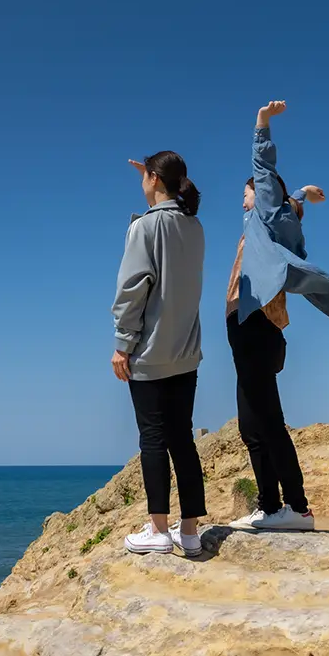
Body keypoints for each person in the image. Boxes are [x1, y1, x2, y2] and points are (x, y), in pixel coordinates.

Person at [226, 101, 329, 532]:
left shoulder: (265, 214)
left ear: (263, 197)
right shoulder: (274, 223)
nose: (243, 198)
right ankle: (269, 505)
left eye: (248, 192)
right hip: (248, 326)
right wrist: (301, 195)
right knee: (251, 424)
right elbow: (287, 207)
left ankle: (297, 509)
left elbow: (264, 172)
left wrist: (262, 124)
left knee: (268, 421)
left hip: (257, 325)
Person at [112, 150, 208, 557]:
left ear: (153, 179)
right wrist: (154, 178)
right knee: (182, 438)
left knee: (152, 439)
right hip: (186, 351)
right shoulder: (194, 226)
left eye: (145, 178)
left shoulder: (145, 228)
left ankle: (158, 530)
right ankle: (189, 532)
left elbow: (133, 290)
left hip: (150, 353)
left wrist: (122, 344)